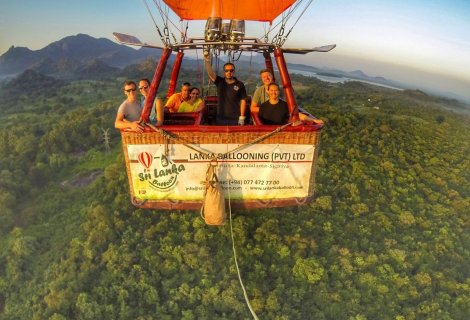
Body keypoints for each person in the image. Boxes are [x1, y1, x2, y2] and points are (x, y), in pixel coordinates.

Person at [203, 51, 247, 125]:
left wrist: (242, 117)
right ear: (224, 72)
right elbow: (210, 73)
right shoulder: (220, 81)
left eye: (231, 70)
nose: (229, 72)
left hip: (235, 117)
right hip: (221, 117)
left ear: (234, 71)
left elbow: (243, 100)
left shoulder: (240, 84)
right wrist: (207, 60)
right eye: (226, 70)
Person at [259, 83, 324, 125]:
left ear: (279, 92)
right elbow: (260, 123)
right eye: (271, 90)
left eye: (276, 90)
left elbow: (298, 114)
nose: (273, 92)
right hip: (267, 136)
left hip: (282, 134)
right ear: (268, 91)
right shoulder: (263, 106)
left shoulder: (284, 105)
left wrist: (314, 120)